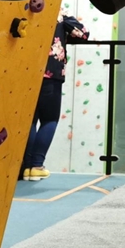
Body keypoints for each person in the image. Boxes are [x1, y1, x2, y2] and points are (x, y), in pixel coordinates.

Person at [21, 14, 88, 181]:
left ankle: (25, 166)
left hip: (25, 72)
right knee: (49, 119)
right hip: (51, 74)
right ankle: (36, 166)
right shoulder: (59, 16)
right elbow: (83, 34)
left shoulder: (23, 11)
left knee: (29, 120)